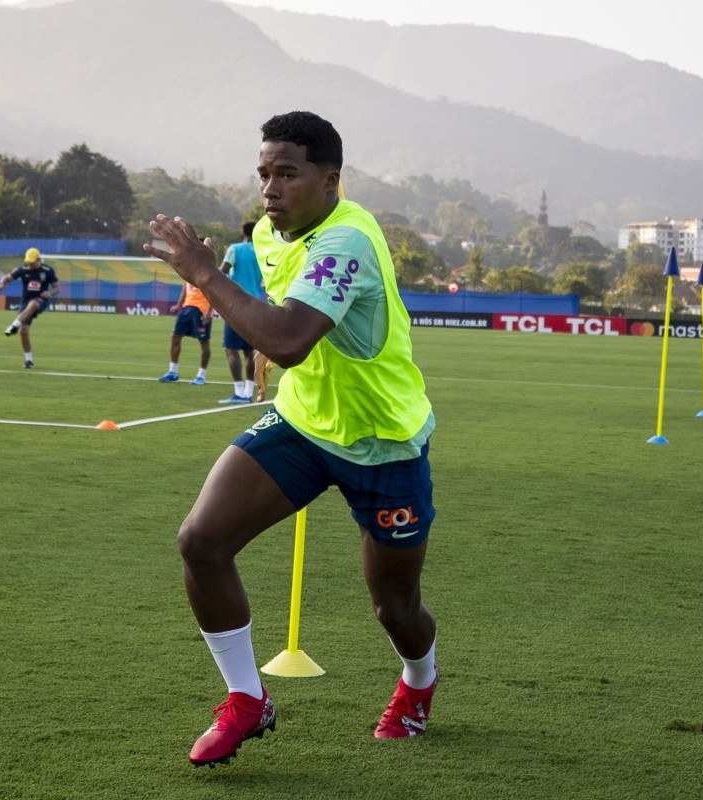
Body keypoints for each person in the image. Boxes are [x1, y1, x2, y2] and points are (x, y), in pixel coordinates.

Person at [144, 111, 438, 768]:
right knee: (200, 540)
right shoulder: (277, 235)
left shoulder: (348, 242)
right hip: (304, 423)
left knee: (395, 607)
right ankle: (247, 700)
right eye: (263, 175)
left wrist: (202, 273)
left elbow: (287, 341)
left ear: (331, 179)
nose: (271, 189)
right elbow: (276, 330)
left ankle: (419, 683)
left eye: (287, 174)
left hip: (384, 442)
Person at [218, 222, 265, 404]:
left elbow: (222, 271)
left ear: (243, 232)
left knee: (230, 348)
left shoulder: (235, 249)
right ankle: (248, 392)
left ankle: (239, 392)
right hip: (257, 304)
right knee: (249, 351)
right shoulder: (261, 252)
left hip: (237, 304)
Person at [0, 247, 58, 369]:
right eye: (28, 262)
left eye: (32, 262)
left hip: (41, 300)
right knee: (23, 331)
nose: (30, 264)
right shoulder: (23, 269)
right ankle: (28, 361)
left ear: (38, 259)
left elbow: (57, 288)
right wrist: (1, 283)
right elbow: (7, 277)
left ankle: (14, 325)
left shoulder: (48, 271)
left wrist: (50, 293)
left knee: (34, 304)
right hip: (25, 303)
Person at [158, 281, 213, 386]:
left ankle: (201, 376)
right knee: (175, 337)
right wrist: (179, 304)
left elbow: (212, 291)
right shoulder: (189, 270)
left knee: (204, 343)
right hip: (186, 308)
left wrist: (210, 311)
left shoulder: (206, 269)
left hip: (202, 310)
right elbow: (185, 286)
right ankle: (173, 372)